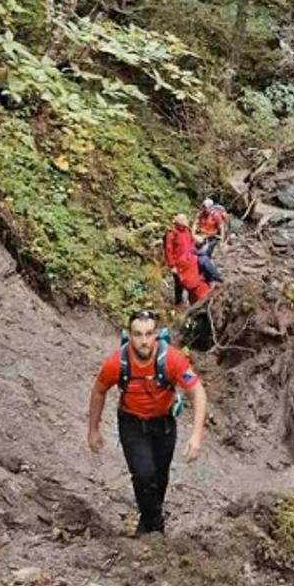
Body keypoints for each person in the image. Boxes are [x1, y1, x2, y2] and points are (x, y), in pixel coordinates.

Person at [87, 309, 207, 536]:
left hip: (164, 423)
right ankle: (156, 525)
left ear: (156, 335)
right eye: (138, 334)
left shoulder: (171, 358)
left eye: (149, 334)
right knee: (143, 473)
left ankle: (147, 521)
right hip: (132, 422)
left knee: (159, 476)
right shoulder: (117, 362)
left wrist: (196, 435)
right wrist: (93, 429)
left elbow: (197, 392)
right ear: (129, 335)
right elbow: (98, 391)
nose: (144, 341)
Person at [163, 214, 195, 305]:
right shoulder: (171, 234)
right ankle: (178, 303)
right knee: (179, 285)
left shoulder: (187, 231)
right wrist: (172, 266)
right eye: (182, 224)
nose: (183, 226)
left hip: (188, 261)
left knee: (191, 281)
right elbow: (168, 250)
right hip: (177, 263)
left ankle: (191, 302)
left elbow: (191, 242)